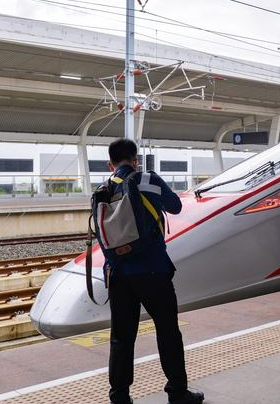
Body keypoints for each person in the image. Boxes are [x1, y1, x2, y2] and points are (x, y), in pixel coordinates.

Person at [95, 138, 203, 404]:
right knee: (167, 331)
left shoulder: (103, 190)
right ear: (136, 160)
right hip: (153, 270)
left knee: (121, 337)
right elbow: (175, 206)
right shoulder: (148, 179)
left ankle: (119, 397)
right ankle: (177, 393)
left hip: (119, 275)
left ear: (110, 164)